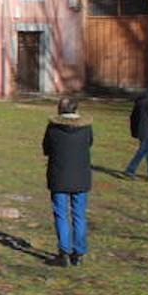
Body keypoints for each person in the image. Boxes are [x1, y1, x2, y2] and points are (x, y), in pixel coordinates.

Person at [43, 96, 93, 267]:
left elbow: (46, 149)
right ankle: (78, 253)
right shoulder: (86, 128)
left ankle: (64, 252)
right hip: (81, 176)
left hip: (59, 176)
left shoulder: (53, 128)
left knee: (61, 214)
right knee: (79, 215)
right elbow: (89, 144)